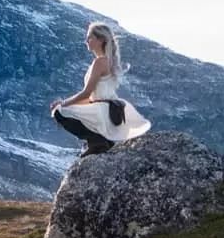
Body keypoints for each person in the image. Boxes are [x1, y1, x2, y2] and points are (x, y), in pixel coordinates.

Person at [51, 21, 151, 156]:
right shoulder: (108, 62)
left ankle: (96, 141)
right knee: (66, 110)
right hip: (108, 110)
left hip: (102, 111)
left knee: (59, 112)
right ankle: (102, 142)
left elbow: (87, 93)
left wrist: (63, 104)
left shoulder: (100, 62)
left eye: (90, 37)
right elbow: (92, 97)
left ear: (101, 40)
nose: (86, 41)